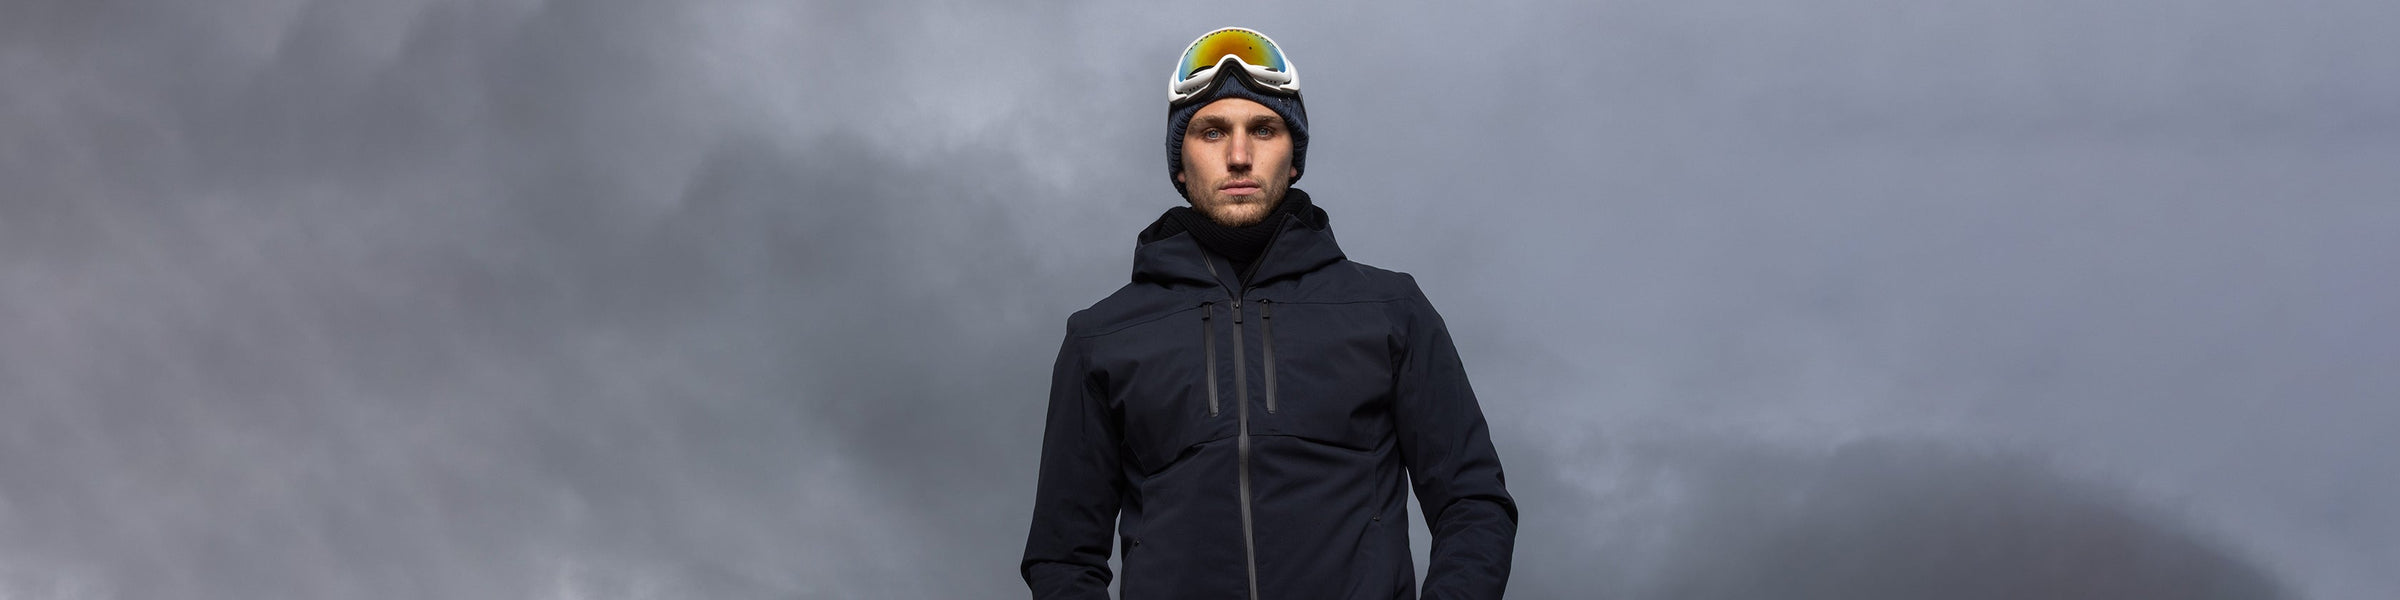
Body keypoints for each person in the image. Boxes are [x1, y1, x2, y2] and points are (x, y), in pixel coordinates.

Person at [1021, 27, 1517, 600]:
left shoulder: (1391, 309)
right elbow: (1062, 557)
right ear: (1180, 163)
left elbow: (1473, 502)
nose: (1238, 156)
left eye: (1263, 129)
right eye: (1212, 132)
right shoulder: (1102, 337)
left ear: (1294, 158)